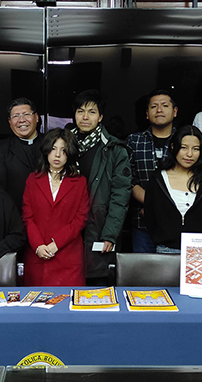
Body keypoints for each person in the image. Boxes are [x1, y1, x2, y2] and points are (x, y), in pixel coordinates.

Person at [70, 89, 132, 285]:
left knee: (97, 288)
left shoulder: (114, 149)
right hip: (67, 228)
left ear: (101, 117)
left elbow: (120, 196)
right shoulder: (62, 145)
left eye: (92, 112)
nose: (85, 117)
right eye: (80, 111)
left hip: (98, 227)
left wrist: (110, 234)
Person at [22, 128, 90, 286]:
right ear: (46, 151)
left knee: (68, 306)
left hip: (68, 256)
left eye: (63, 150)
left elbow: (81, 218)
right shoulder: (33, 180)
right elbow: (27, 217)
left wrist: (56, 243)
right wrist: (38, 245)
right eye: (53, 149)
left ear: (70, 153)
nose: (57, 155)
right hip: (38, 254)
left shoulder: (79, 182)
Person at [144, 126, 202, 253]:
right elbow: (150, 217)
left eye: (196, 149)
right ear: (172, 146)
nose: (189, 154)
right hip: (166, 250)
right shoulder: (158, 179)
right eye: (184, 147)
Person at [126, 89, 178, 253]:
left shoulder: (183, 141)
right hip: (143, 224)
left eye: (165, 105)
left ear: (175, 111)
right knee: (142, 275)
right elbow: (128, 179)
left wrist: (157, 206)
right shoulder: (134, 141)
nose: (160, 110)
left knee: (172, 275)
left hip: (176, 223)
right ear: (147, 114)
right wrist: (151, 204)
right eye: (154, 106)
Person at [0, 98, 43, 212]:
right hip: (14, 214)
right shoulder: (1, 148)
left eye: (26, 114)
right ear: (10, 122)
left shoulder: (51, 143)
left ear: (37, 117)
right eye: (16, 116)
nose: (21, 120)